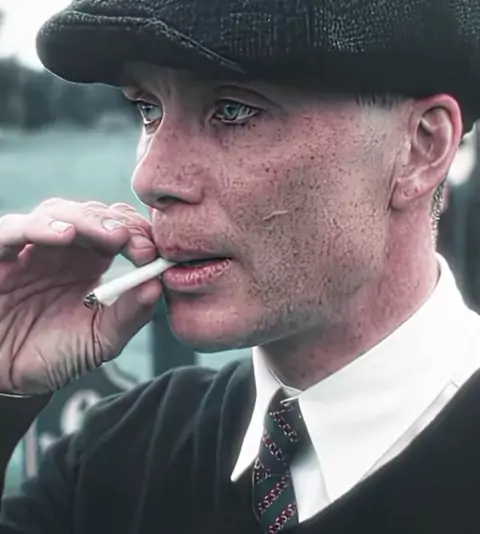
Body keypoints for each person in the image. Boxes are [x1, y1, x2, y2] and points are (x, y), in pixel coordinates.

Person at [1, 0, 480, 532]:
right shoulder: (113, 459)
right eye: (148, 109)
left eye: (233, 110)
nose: (150, 178)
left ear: (420, 149)